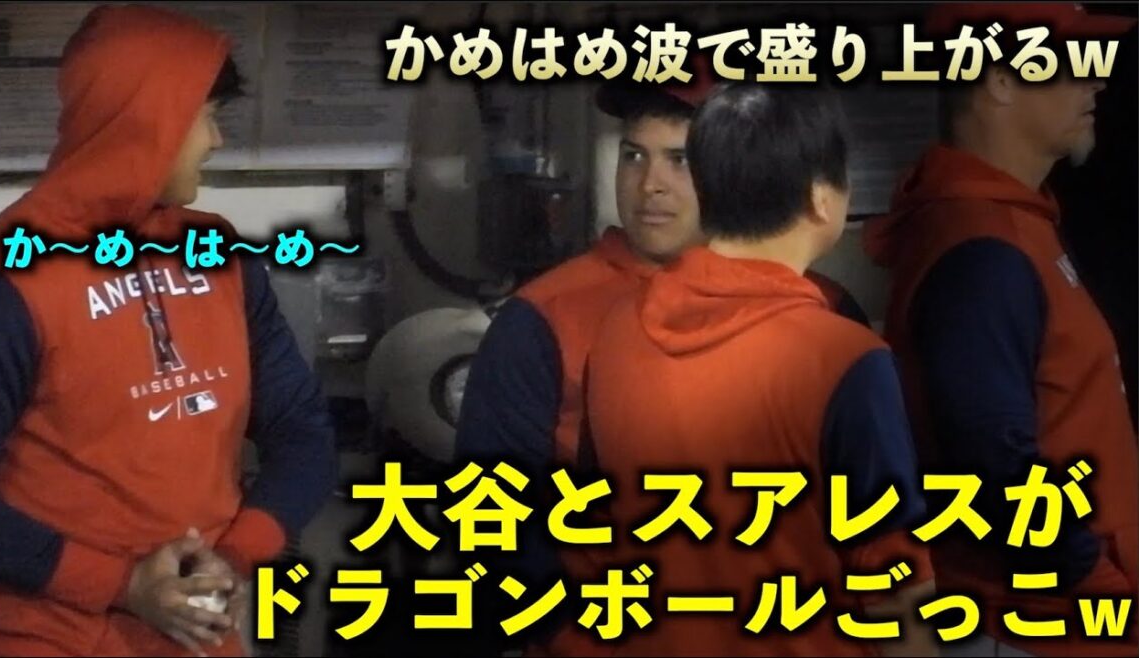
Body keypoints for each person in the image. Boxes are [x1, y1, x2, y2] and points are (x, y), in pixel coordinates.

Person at [453, 59, 871, 652]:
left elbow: (873, 510)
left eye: (681, 159)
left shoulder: (823, 311)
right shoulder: (542, 317)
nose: (650, 184)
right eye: (633, 155)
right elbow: (492, 517)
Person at [0, 5, 337, 656]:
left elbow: (302, 430)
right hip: (45, 637)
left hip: (196, 634)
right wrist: (123, 584)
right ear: (147, 120)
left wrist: (237, 555)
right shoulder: (6, 283)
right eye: (205, 117)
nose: (215, 141)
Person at [570, 83, 937, 656]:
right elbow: (892, 576)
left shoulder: (617, 328)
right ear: (821, 197)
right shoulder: (843, 357)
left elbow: (593, 517)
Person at [863, 3, 1138, 656]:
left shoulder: (1011, 223)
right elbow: (992, 464)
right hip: (1044, 627)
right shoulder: (983, 249)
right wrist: (1096, 580)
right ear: (1001, 80)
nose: (1096, 79)